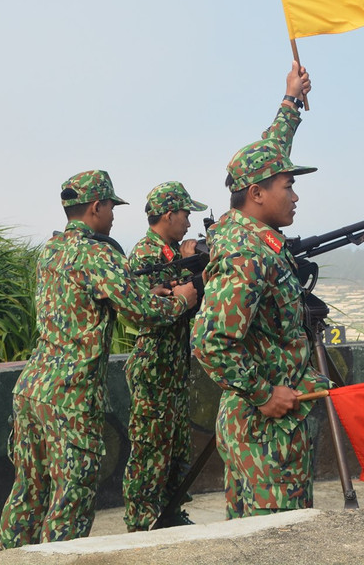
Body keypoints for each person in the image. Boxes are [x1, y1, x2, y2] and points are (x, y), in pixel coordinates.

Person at [0, 170, 174, 549]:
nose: (112, 216)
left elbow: (89, 296)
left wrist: (141, 290)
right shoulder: (97, 251)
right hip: (69, 397)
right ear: (97, 206)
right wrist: (181, 300)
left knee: (29, 492)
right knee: (71, 497)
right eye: (111, 207)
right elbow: (143, 312)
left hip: (32, 389)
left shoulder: (52, 249)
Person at [191, 62, 328, 519]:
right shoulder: (247, 255)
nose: (295, 195)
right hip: (264, 432)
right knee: (277, 541)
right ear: (256, 194)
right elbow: (209, 341)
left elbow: (269, 153)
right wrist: (265, 393)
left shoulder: (242, 226)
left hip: (263, 428)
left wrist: (291, 100)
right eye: (288, 186)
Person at [122, 181, 206, 531]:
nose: (189, 222)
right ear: (169, 214)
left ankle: (170, 510)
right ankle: (142, 520)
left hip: (172, 366)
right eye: (186, 214)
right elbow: (149, 310)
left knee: (175, 447)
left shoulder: (170, 251)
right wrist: (187, 273)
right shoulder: (146, 253)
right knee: (150, 448)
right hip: (153, 363)